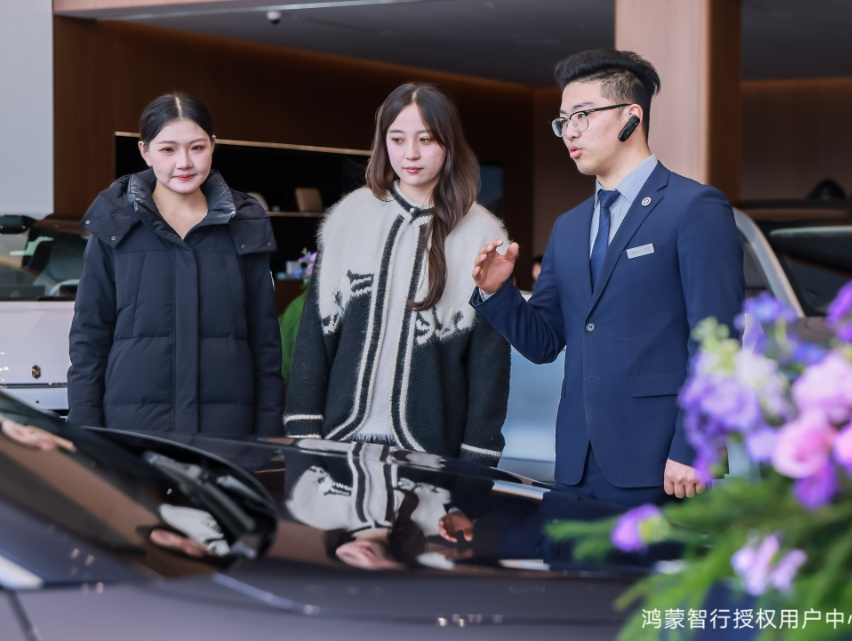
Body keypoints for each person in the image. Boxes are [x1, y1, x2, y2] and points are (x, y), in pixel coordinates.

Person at [470, 49, 744, 506]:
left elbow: (718, 340)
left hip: (664, 463)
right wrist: (497, 292)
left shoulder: (694, 208)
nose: (569, 131)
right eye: (563, 121)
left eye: (582, 115)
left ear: (631, 117)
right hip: (576, 461)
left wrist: (696, 448)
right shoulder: (569, 225)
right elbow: (544, 343)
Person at [284, 82, 510, 465]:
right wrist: (303, 427)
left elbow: (489, 361)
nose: (411, 153)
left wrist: (478, 456)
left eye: (426, 139)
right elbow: (316, 332)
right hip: (340, 438)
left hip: (431, 446)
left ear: (449, 143)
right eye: (398, 139)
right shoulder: (349, 216)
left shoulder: (482, 233)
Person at [67, 93, 285, 435]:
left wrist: (270, 430)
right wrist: (85, 431)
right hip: (134, 431)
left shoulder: (245, 225)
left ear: (213, 145)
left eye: (197, 147)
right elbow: (89, 339)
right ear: (145, 151)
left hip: (227, 431)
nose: (184, 162)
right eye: (168, 149)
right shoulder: (114, 225)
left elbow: (265, 341)